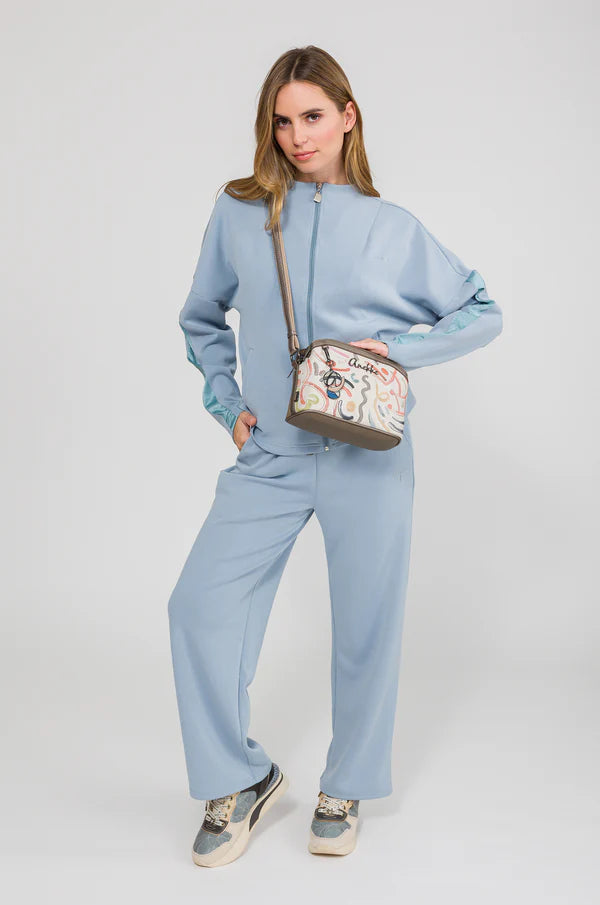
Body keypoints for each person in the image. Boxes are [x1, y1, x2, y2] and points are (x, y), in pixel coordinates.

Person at [167, 45, 503, 867]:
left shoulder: (392, 227)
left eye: (313, 116)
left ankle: (346, 783)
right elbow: (201, 316)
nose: (298, 136)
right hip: (272, 452)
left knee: (366, 625)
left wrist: (396, 347)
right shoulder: (240, 213)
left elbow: (481, 310)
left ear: (348, 117)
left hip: (368, 452)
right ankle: (240, 777)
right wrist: (228, 406)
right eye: (283, 121)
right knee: (199, 605)